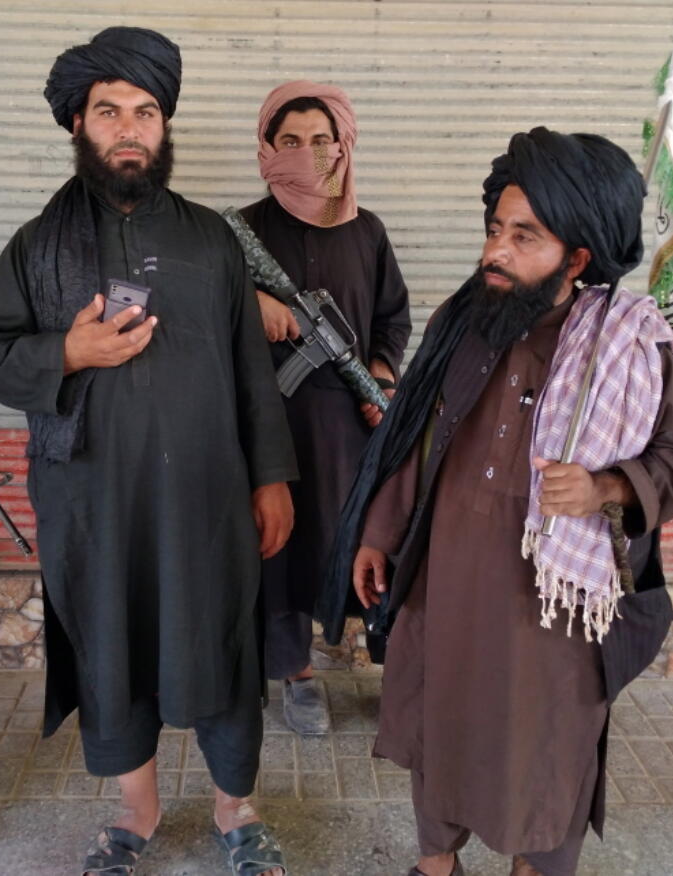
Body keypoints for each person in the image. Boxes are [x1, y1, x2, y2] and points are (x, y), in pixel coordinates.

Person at [322, 127, 673, 876]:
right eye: (494, 229)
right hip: (448, 588)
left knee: (547, 756)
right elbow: (415, 439)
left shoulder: (628, 345)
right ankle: (435, 867)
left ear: (576, 258)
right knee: (443, 732)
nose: (495, 250)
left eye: (523, 236)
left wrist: (606, 487)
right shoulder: (462, 321)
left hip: (552, 614)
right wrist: (379, 532)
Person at [0, 26, 296, 876]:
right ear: (77, 122)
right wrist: (68, 353)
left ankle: (237, 812)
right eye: (109, 111)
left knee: (221, 640)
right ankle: (136, 813)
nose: (129, 128)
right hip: (93, 503)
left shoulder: (212, 241)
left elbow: (254, 374)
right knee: (114, 648)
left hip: (207, 499)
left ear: (164, 126)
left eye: (145, 112)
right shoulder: (37, 246)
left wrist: (272, 480)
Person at [239, 80, 411, 736]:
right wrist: (251, 308)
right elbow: (208, 323)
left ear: (342, 148)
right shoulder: (244, 232)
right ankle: (296, 675)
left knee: (369, 546)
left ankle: (394, 668)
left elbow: (393, 317)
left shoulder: (366, 232)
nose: (307, 155)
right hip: (270, 427)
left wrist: (381, 373)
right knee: (279, 550)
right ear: (267, 147)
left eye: (320, 141)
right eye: (290, 142)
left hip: (351, 427)